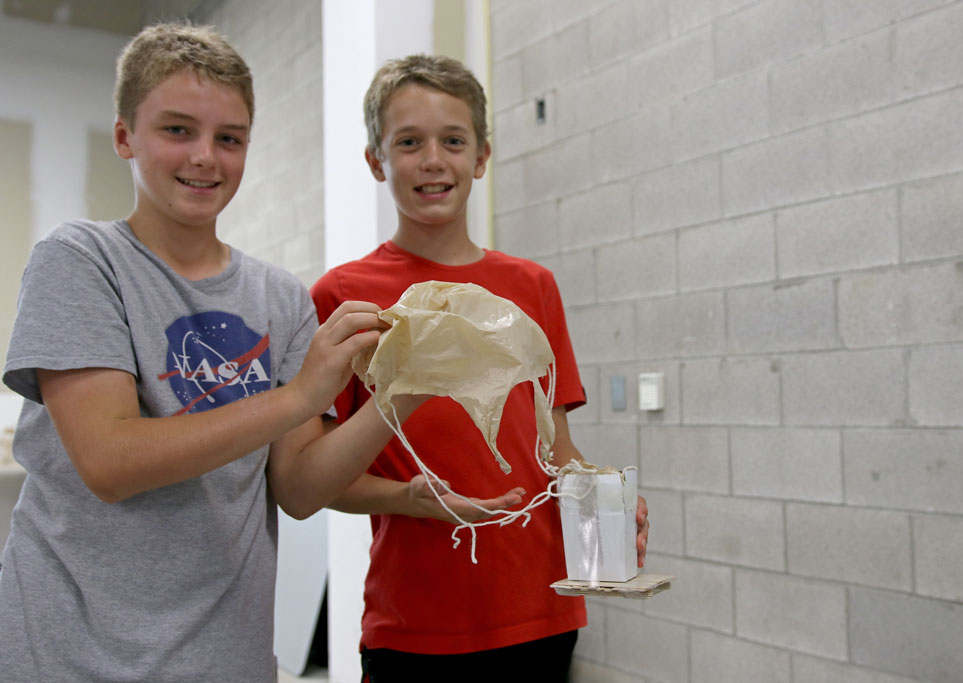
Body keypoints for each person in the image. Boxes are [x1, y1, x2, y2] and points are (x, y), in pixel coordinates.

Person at [0, 23, 423, 682]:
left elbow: (300, 489)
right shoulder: (81, 260)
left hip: (225, 655)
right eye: (177, 130)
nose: (206, 156)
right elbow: (110, 461)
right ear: (123, 138)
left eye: (229, 139)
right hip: (71, 654)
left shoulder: (280, 297)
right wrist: (298, 396)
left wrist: (402, 397)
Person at [311, 54, 650, 682]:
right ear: (375, 160)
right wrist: (408, 498)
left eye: (453, 141)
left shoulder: (532, 286)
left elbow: (557, 448)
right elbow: (316, 479)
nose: (432, 159)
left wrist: (604, 495)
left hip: (540, 609)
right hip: (415, 623)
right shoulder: (343, 297)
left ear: (482, 158)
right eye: (408, 142)